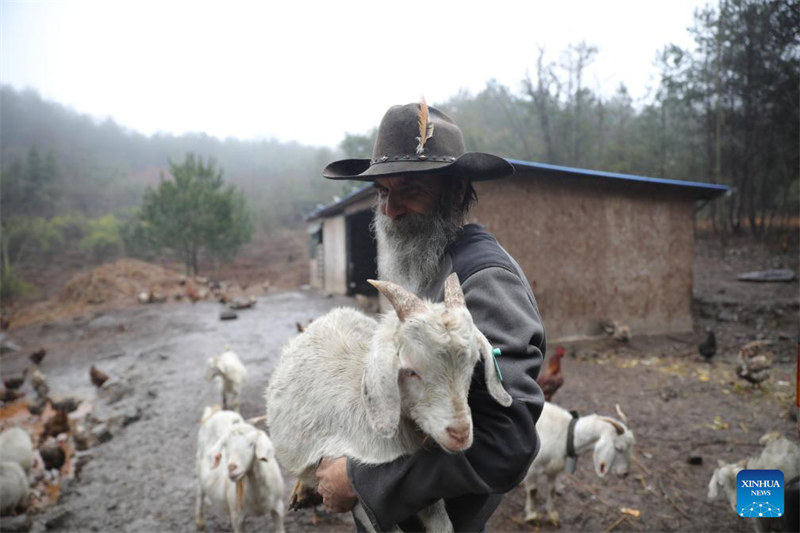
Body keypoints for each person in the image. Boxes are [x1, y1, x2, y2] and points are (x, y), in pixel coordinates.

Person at [316, 99, 546, 532]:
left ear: (456, 190)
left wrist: (360, 478)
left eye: (410, 191)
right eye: (383, 191)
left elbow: (504, 444)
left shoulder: (484, 283)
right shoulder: (432, 267)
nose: (389, 210)